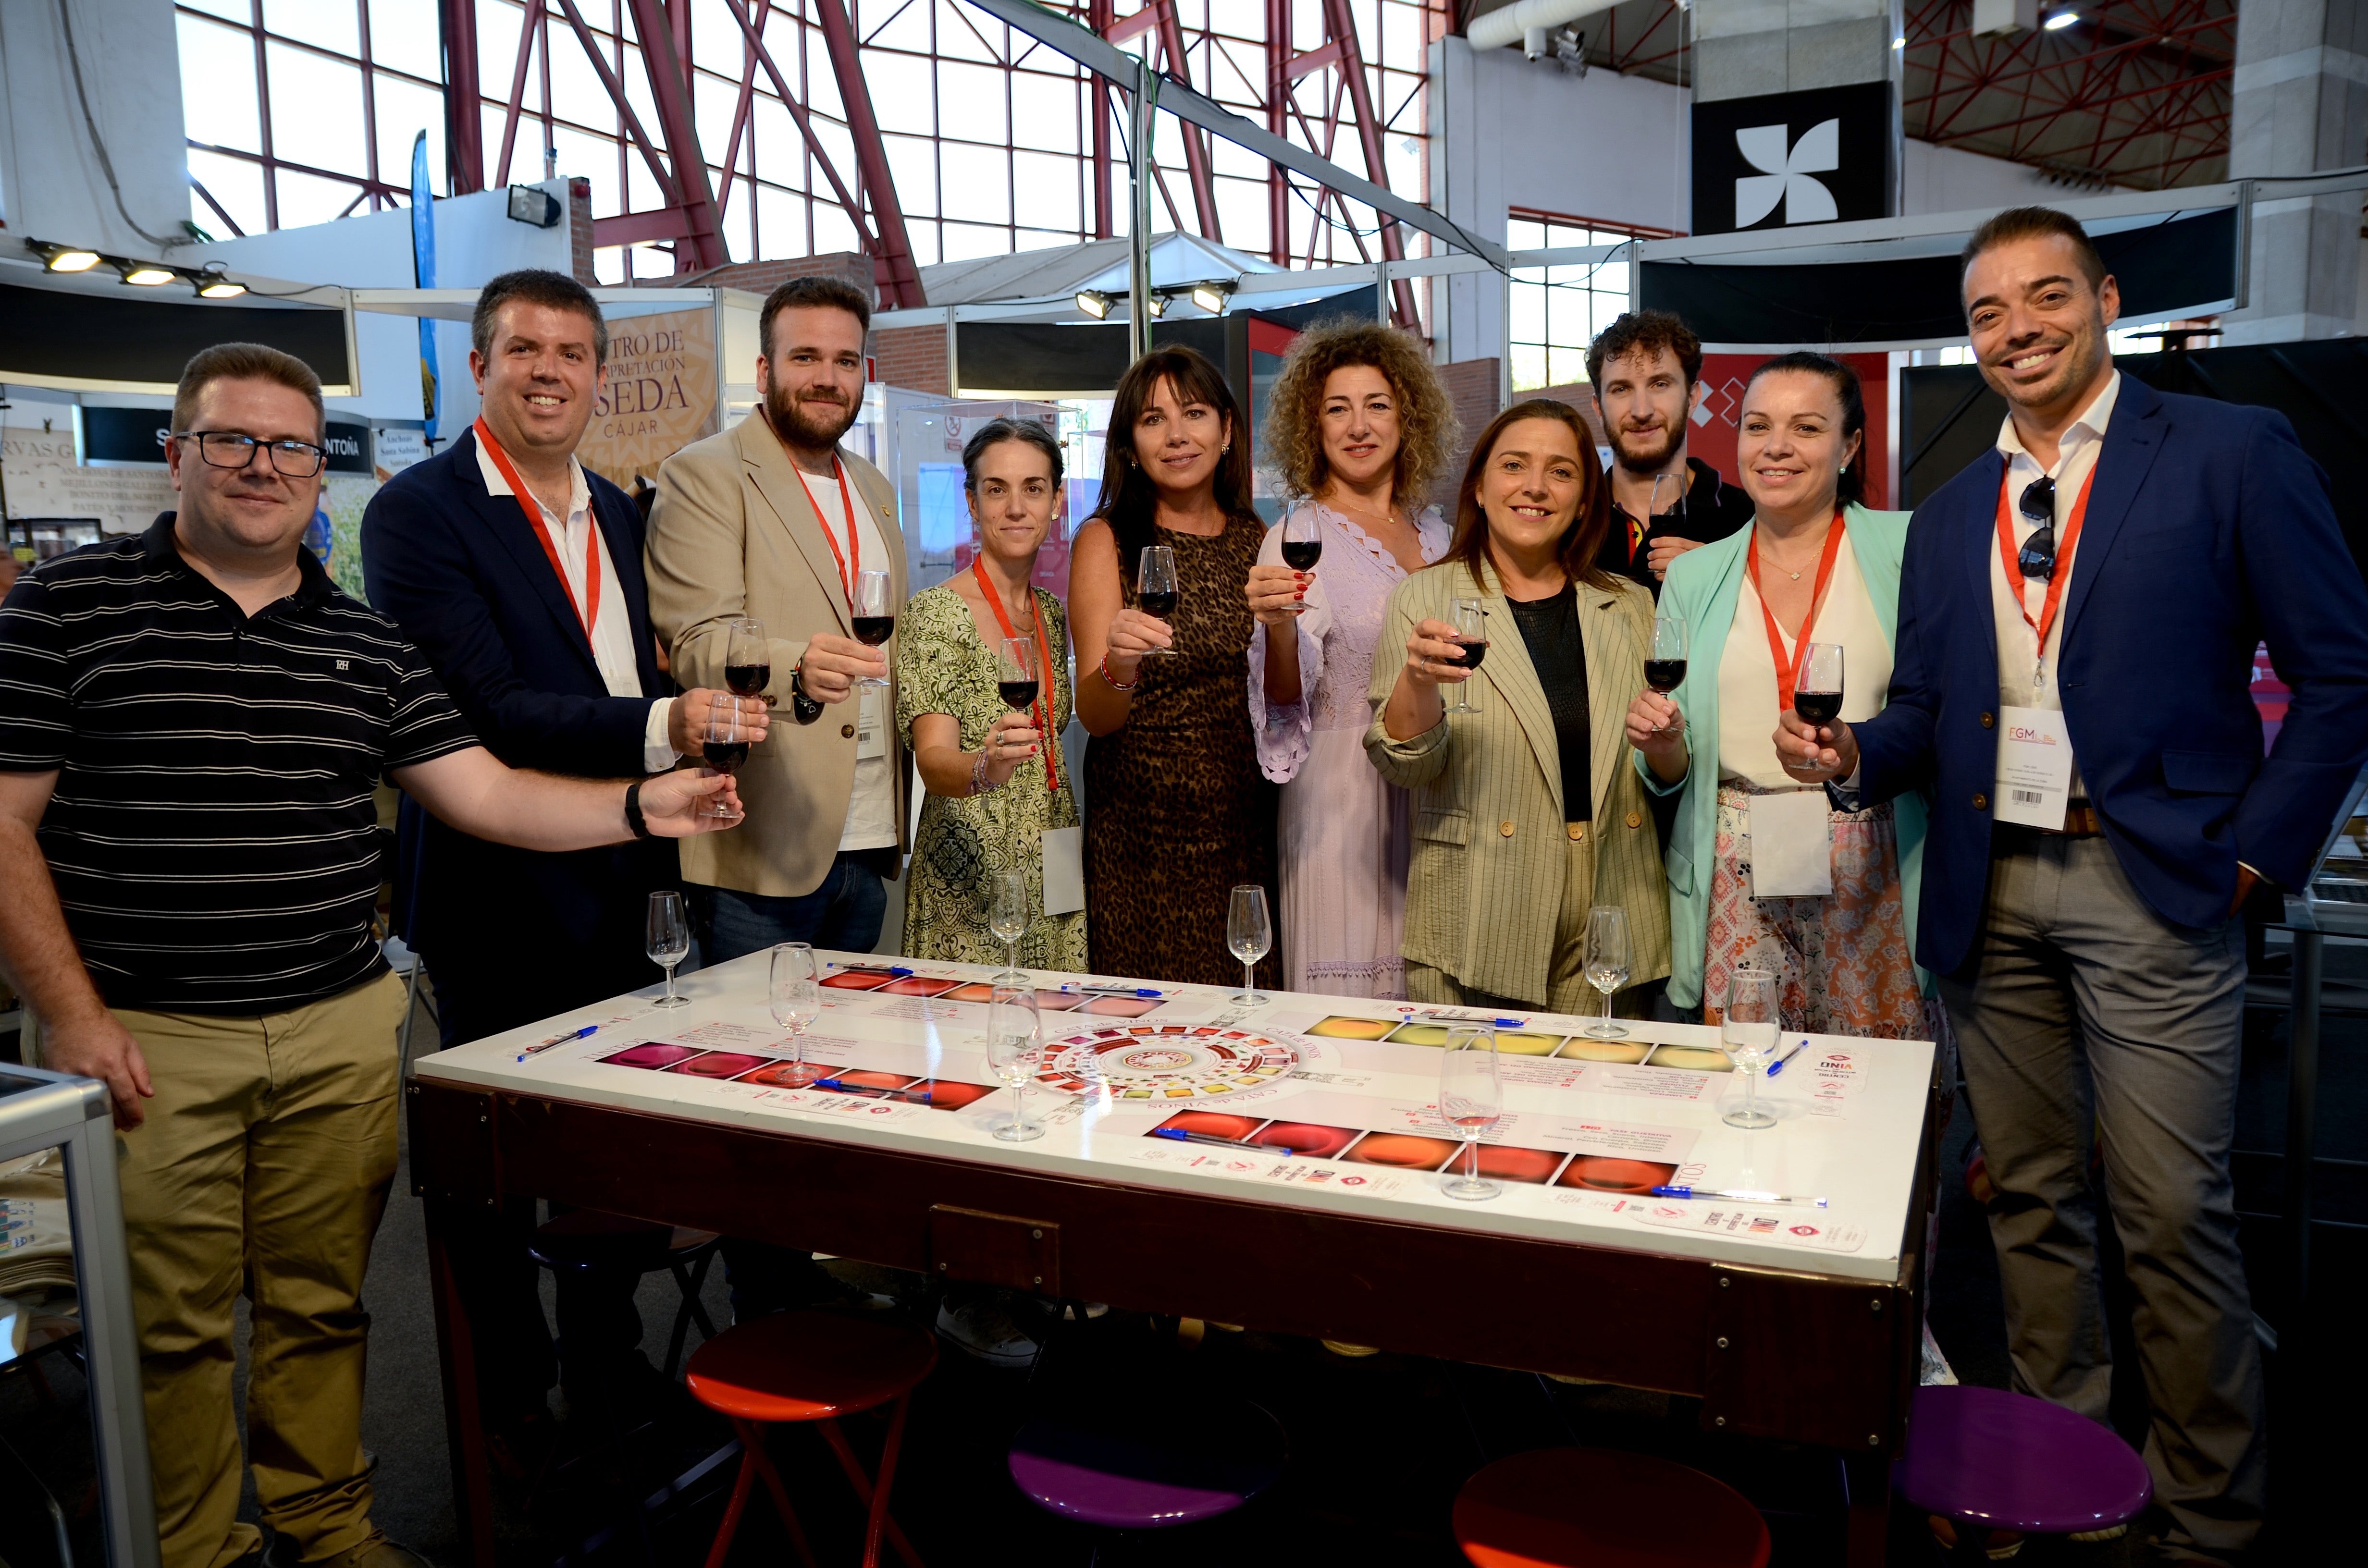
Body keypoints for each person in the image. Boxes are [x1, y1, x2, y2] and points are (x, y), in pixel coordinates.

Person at [0, 343, 739, 1568]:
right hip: (146, 1030)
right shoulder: (67, 608)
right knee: (169, 1323)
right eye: (232, 439)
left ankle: (327, 1527)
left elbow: (488, 795)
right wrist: (70, 1016)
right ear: (176, 453)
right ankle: (192, 1549)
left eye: (291, 446)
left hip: (339, 1022)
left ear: (320, 475)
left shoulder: (363, 641)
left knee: (322, 1302)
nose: (262, 466)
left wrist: (638, 809)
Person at [1777, 208, 2368, 1566]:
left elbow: (2343, 676)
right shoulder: (1952, 514)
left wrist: (2254, 856)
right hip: (1993, 888)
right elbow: (1926, 706)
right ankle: (2069, 1491)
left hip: (2156, 881)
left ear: (2105, 300)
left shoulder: (2227, 453)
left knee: (2171, 1217)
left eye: (2046, 297)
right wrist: (1856, 752)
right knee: (2034, 1206)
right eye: (1988, 313)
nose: (2018, 328)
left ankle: (2212, 1522)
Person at [360, 270, 758, 1440]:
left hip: (633, 881)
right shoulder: (418, 513)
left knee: (612, 1152)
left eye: (573, 352)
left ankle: (609, 1364)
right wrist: (667, 726)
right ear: (479, 366)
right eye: (525, 348)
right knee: (496, 1175)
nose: (550, 371)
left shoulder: (623, 511)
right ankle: (510, 1411)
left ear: (598, 375)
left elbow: (653, 662)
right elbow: (484, 703)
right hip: (497, 888)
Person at [1625, 353, 1943, 1045]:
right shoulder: (1696, 574)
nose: (1776, 447)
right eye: (1758, 426)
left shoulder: (1911, 544)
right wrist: (1662, 747)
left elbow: (1938, 710)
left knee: (1875, 1084)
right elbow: (1679, 768)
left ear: (1850, 444)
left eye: (1805, 427)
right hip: (1734, 857)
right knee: (1748, 1084)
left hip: (1875, 855)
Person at [1366, 399, 1670, 1011]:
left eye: (1561, 471)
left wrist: (1668, 749)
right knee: (1472, 1107)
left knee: (1598, 1105)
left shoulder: (1630, 605)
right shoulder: (1426, 598)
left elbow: (1662, 772)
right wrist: (1418, 683)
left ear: (1586, 500)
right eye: (1513, 465)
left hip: (1611, 903)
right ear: (1478, 486)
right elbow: (1405, 767)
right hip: (1479, 907)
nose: (1535, 487)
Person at [647, 275, 905, 964]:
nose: (828, 378)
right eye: (806, 358)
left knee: (852, 1062)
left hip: (868, 838)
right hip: (762, 843)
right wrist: (795, 666)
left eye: (845, 362)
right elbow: (696, 642)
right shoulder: (704, 475)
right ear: (764, 369)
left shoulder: (874, 489)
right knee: (751, 1064)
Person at [1244, 321, 1454, 997]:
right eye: (1338, 408)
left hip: (1441, 795)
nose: (1358, 425)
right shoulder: (1296, 535)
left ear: (1408, 417)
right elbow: (1282, 703)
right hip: (1344, 801)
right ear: (1314, 426)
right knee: (1349, 1027)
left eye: (1377, 405)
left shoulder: (1439, 533)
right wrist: (1277, 629)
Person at [1069, 345, 1278, 987]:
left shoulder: (1255, 534)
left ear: (1227, 430)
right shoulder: (1107, 538)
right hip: (1142, 832)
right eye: (1154, 420)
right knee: (1148, 1031)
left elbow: (1278, 689)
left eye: (1193, 413)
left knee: (1247, 1015)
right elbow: (1096, 717)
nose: (1178, 435)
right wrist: (1122, 665)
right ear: (1130, 445)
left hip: (1245, 815)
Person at [898, 418, 1087, 968]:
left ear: (1055, 501)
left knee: (1057, 1039)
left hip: (1053, 860)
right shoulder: (936, 612)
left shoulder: (1051, 613)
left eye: (1033, 488)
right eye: (996, 489)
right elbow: (932, 762)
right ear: (972, 503)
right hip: (969, 872)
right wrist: (984, 767)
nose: (1015, 508)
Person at [1588, 311, 1754, 596]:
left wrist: (1727, 583)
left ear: (1692, 398)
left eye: (1660, 384)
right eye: (1621, 389)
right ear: (1599, 408)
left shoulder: (1749, 519)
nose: (1642, 411)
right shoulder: (1571, 519)